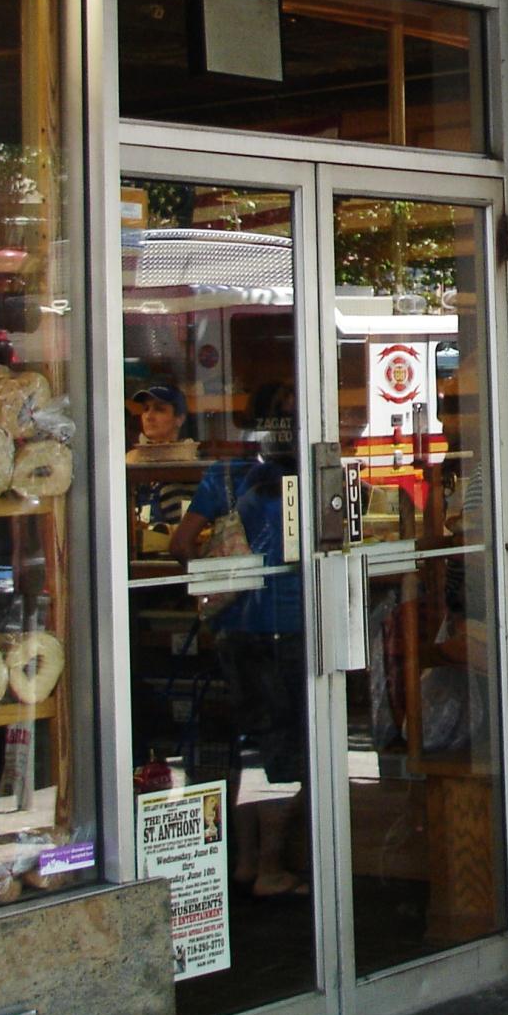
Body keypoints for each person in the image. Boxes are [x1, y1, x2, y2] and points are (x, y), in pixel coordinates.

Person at [168, 384, 307, 899]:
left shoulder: (224, 476)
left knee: (250, 742)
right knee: (285, 750)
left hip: (235, 631)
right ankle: (271, 866)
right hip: (290, 625)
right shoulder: (304, 476)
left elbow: (180, 544)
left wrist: (218, 584)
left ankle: (246, 861)